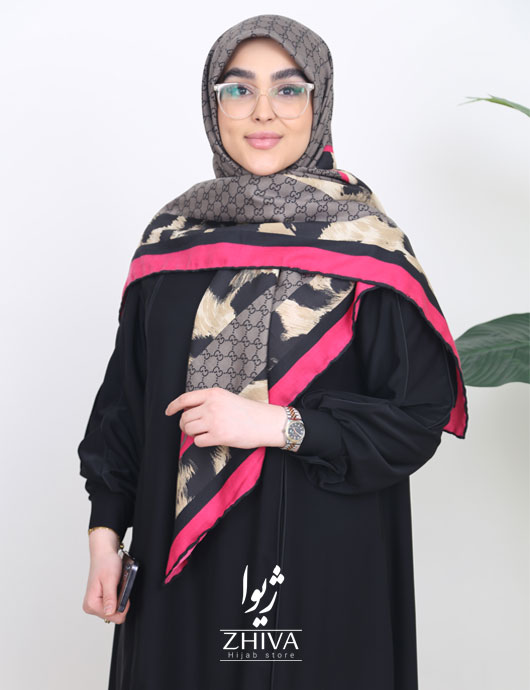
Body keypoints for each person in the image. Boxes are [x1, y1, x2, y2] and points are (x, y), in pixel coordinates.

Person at [78, 14, 468, 690]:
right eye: (238, 89)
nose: (263, 112)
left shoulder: (368, 248)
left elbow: (416, 418)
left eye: (289, 89)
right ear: (214, 106)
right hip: (178, 576)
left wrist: (277, 424)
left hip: (323, 569)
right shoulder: (170, 242)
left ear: (319, 104)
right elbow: (125, 405)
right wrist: (105, 535)